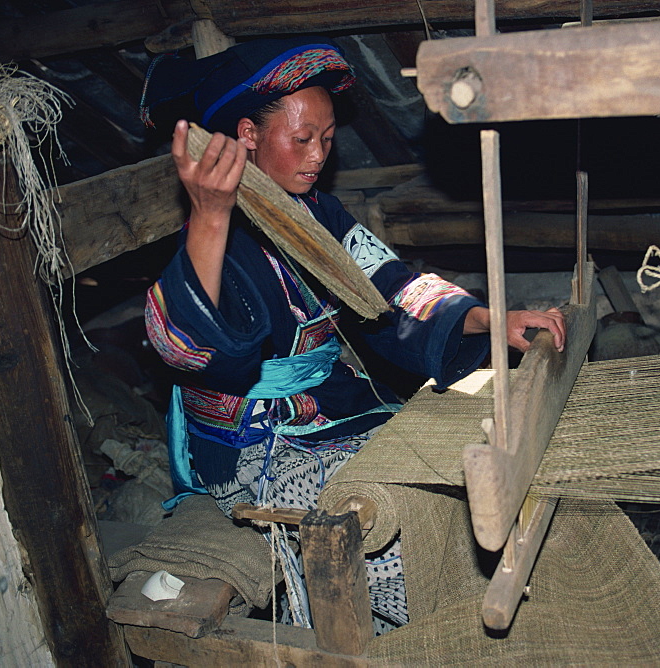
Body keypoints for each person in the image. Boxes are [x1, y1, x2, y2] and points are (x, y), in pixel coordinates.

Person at [140, 37, 566, 632]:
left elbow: (391, 284)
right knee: (392, 543)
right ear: (248, 135)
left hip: (331, 407)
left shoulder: (320, 215)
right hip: (255, 442)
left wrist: (490, 318)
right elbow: (185, 347)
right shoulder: (217, 234)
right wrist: (210, 214)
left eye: (328, 138)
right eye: (302, 138)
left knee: (446, 491)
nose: (318, 154)